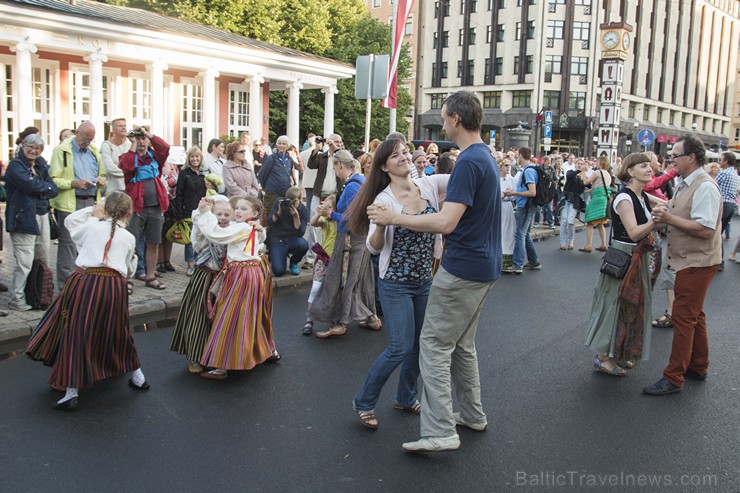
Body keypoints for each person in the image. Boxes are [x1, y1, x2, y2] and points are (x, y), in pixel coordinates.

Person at [367, 90, 501, 453]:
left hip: (462, 269)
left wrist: (396, 217)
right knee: (461, 346)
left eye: (443, 117)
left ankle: (440, 430)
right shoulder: (482, 156)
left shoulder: (469, 163)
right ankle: (472, 415)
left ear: (456, 119)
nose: (442, 123)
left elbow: (445, 221)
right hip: (484, 266)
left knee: (433, 345)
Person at [347, 138, 449, 430]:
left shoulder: (427, 185)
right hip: (395, 283)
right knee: (399, 347)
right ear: (384, 165)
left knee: (418, 345)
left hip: (423, 280)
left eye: (405, 152)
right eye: (395, 155)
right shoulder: (383, 200)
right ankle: (363, 401)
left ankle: (406, 397)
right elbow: (375, 248)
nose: (404, 157)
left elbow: (460, 175)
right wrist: (382, 224)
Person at [26, 191, 149, 410]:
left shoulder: (92, 226)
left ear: (106, 209)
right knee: (118, 331)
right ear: (129, 212)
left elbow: (70, 223)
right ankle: (138, 377)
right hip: (115, 286)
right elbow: (129, 269)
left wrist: (93, 213)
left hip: (87, 282)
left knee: (79, 332)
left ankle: (71, 392)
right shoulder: (129, 237)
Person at [643, 135, 723, 396]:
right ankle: (698, 365)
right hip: (691, 260)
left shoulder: (704, 186)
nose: (671, 159)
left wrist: (669, 218)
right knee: (694, 314)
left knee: (683, 317)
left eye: (676, 155)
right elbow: (683, 215)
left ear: (692, 157)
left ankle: (674, 377)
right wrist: (666, 213)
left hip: (697, 261)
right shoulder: (686, 182)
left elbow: (704, 229)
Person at [584, 153, 659, 376]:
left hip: (636, 257)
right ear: (630, 171)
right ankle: (603, 357)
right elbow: (635, 232)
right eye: (643, 165)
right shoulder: (625, 198)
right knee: (614, 305)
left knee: (629, 307)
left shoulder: (642, 196)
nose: (649, 169)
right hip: (625, 256)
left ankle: (618, 352)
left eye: (649, 165)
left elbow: (667, 205)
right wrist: (657, 220)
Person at [193, 195, 279, 380]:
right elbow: (261, 236)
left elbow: (215, 234)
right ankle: (268, 350)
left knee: (228, 314)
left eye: (243, 208)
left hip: (241, 274)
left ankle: (222, 367)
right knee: (253, 314)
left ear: (255, 213)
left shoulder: (242, 227)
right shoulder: (251, 227)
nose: (238, 211)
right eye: (237, 208)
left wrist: (205, 213)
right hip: (253, 273)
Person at [309, 150, 379, 338]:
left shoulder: (352, 186)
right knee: (360, 278)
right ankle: (371, 317)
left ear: (340, 165)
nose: (334, 170)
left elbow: (351, 219)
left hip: (350, 240)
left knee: (341, 280)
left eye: (334, 166)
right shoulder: (360, 181)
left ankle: (340, 323)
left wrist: (330, 215)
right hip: (359, 238)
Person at [169, 196, 231, 373]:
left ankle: (217, 355)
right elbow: (199, 238)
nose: (223, 217)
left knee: (221, 319)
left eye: (227, 214)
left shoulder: (232, 231)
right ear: (211, 215)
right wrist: (202, 214)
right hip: (204, 276)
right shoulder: (205, 230)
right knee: (198, 317)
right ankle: (195, 356)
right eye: (219, 214)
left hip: (224, 278)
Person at [4, 134, 58, 311]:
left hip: (42, 216)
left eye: (38, 148)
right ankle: (16, 299)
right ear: (23, 146)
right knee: (24, 262)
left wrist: (40, 187)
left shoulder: (41, 165)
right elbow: (30, 186)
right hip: (23, 219)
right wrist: (42, 187)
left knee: (43, 259)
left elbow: (53, 189)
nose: (34, 151)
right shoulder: (15, 166)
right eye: (31, 147)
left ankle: (39, 297)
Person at [49, 121, 107, 284]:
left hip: (91, 202)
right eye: (85, 139)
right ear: (77, 134)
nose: (87, 143)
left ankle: (84, 285)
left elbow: (104, 176)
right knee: (68, 246)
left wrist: (102, 180)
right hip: (70, 203)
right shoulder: (61, 150)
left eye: (90, 140)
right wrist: (73, 183)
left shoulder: (94, 151)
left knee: (88, 244)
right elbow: (53, 179)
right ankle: (65, 288)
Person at [120, 125, 170, 290]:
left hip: (156, 208)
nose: (141, 142)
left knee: (153, 243)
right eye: (138, 138)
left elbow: (165, 147)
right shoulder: (128, 156)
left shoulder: (154, 157)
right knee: (131, 244)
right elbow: (126, 165)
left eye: (143, 139)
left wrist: (148, 134)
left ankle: (150, 276)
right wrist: (133, 144)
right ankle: (127, 279)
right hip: (136, 209)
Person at [300, 194, 337, 335]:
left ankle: (334, 320)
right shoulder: (324, 220)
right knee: (315, 289)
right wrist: (318, 213)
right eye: (324, 205)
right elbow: (313, 222)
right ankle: (309, 319)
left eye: (329, 206)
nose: (326, 209)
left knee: (333, 291)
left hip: (336, 261)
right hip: (323, 259)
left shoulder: (339, 220)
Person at [171, 146, 208, 276]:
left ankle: (200, 262)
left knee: (201, 238)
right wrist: (180, 213)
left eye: (197, 156)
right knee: (191, 239)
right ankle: (190, 265)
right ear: (189, 158)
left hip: (203, 211)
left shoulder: (205, 173)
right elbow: (179, 194)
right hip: (189, 211)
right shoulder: (184, 173)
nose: (195, 159)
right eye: (192, 156)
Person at [503, 146, 540, 274]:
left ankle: (517, 264)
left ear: (521, 156)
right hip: (527, 206)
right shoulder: (530, 169)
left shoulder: (528, 171)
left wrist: (513, 193)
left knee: (519, 234)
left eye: (517, 155)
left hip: (525, 206)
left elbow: (532, 192)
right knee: (525, 234)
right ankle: (534, 261)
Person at [266, 186, 309, 276]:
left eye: (295, 202)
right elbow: (269, 222)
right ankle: (277, 254)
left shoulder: (304, 211)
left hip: (293, 238)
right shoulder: (280, 203)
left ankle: (293, 262)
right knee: (278, 271)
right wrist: (278, 213)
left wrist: (296, 217)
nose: (291, 204)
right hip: (278, 238)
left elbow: (300, 234)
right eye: (289, 200)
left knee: (303, 245)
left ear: (300, 200)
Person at [257, 135, 298, 222]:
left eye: (284, 144)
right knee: (270, 217)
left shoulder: (289, 160)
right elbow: (262, 175)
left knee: (283, 217)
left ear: (287, 146)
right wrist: (267, 188)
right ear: (276, 145)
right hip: (272, 194)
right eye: (279, 143)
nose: (281, 146)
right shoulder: (271, 158)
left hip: (284, 193)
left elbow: (289, 174)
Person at [579, 156, 613, 252]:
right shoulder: (608, 174)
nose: (596, 163)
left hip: (597, 199)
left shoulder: (598, 172)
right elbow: (598, 187)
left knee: (590, 221)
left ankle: (588, 245)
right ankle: (603, 244)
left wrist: (583, 172)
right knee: (600, 222)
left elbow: (586, 182)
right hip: (604, 198)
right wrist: (586, 192)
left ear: (601, 163)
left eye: (597, 162)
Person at [715, 152, 739, 270]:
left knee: (716, 233)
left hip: (723, 204)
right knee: (719, 232)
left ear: (726, 161)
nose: (720, 162)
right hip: (731, 205)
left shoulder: (723, 173)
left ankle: (719, 261)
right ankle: (718, 261)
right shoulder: (734, 173)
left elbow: (713, 185)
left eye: (721, 159)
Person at [99, 118, 131, 194]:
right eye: (120, 126)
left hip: (129, 188)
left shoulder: (130, 146)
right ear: (113, 129)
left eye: (124, 126)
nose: (123, 128)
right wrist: (128, 172)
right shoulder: (106, 146)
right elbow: (109, 168)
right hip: (113, 189)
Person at [499, 160, 517, 270]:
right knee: (499, 230)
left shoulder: (511, 179)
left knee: (509, 231)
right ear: (500, 167)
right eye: (506, 165)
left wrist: (510, 194)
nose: (508, 167)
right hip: (498, 206)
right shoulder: (495, 178)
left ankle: (507, 261)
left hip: (508, 206)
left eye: (509, 165)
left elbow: (514, 195)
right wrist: (502, 194)